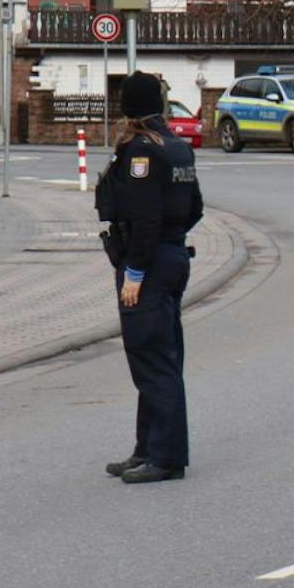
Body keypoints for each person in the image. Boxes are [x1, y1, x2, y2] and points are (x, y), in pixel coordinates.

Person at [95, 72, 203, 484]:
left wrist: (135, 272)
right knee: (158, 356)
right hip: (173, 257)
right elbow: (195, 208)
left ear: (130, 108)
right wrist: (172, 241)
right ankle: (148, 448)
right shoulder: (176, 148)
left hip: (149, 264)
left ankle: (167, 457)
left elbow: (144, 219)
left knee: (153, 360)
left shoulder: (142, 153)